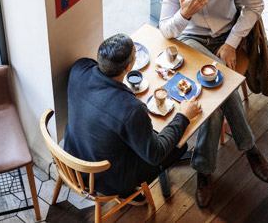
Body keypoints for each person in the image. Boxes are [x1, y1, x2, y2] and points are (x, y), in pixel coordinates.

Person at [159, 0, 268, 208]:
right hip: (191, 41)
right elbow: (166, 31)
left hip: (224, 38)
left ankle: (204, 169)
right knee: (219, 87)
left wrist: (232, 42)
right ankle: (250, 148)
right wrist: (185, 12)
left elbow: (256, 5)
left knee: (212, 96)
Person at [64, 34, 202, 202]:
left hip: (72, 158)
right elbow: (156, 154)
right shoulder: (131, 109)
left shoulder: (79, 68)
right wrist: (183, 116)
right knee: (179, 147)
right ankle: (127, 192)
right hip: (108, 180)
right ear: (129, 66)